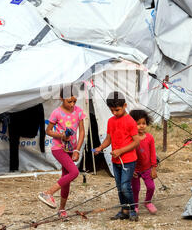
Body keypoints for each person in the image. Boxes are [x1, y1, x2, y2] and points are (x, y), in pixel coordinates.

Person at [38, 85, 85, 220]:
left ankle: (62, 209)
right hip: (59, 148)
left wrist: (77, 149)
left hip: (72, 149)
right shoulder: (56, 112)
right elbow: (48, 131)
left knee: (67, 178)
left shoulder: (79, 112)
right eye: (69, 101)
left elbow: (82, 131)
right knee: (74, 172)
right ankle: (48, 193)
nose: (72, 104)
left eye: (74, 101)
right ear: (61, 98)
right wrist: (61, 136)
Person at [94, 91, 140, 221]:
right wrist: (101, 147)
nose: (114, 113)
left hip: (128, 160)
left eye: (117, 110)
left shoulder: (130, 121)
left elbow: (136, 142)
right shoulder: (111, 121)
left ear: (125, 105)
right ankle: (124, 210)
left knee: (126, 186)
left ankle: (133, 210)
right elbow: (109, 139)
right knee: (120, 187)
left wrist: (121, 151)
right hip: (116, 161)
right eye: (111, 110)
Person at [129, 109, 158, 215]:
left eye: (144, 123)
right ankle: (135, 206)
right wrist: (130, 169)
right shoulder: (131, 139)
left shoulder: (149, 138)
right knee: (135, 189)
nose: (141, 126)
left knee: (151, 187)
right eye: (138, 124)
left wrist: (153, 168)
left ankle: (148, 202)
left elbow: (153, 154)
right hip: (134, 169)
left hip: (147, 168)